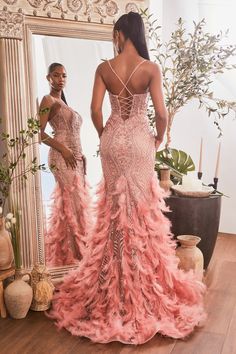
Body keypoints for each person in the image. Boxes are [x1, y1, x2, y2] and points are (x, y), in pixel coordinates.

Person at [48, 13, 206, 344]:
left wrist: (104, 132)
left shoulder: (104, 67)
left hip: (112, 140)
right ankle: (140, 287)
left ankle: (110, 285)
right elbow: (161, 114)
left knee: (112, 210)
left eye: (114, 33)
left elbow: (94, 109)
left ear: (120, 32)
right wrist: (158, 137)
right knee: (140, 209)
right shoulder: (150, 68)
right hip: (137, 141)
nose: (114, 38)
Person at [39, 63, 90, 266]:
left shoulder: (64, 102)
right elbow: (39, 133)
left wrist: (80, 153)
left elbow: (74, 133)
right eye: (56, 75)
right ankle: (72, 257)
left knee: (77, 206)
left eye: (64, 76)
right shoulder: (47, 99)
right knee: (71, 204)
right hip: (61, 157)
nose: (61, 79)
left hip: (75, 158)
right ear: (48, 78)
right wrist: (64, 149)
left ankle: (75, 254)